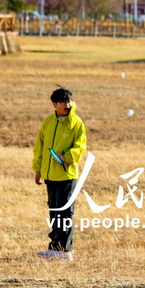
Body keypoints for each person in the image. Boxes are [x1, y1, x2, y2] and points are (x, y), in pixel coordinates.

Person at [32, 87, 87, 261]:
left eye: (68, 101)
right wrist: (38, 169)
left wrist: (67, 157)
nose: (66, 104)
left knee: (65, 213)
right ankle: (54, 247)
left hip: (67, 176)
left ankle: (65, 251)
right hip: (50, 175)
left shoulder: (75, 122)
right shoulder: (48, 121)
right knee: (54, 212)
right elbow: (39, 147)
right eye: (62, 101)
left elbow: (80, 147)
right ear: (54, 104)